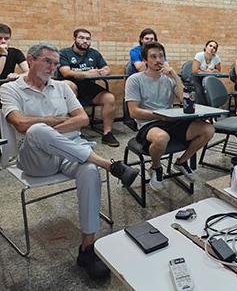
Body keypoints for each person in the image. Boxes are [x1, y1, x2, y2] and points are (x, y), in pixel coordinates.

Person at [0, 42, 138, 280]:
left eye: (55, 63)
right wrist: (54, 121)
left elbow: (83, 119)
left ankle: (87, 249)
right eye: (47, 61)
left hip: (71, 151)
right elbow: (21, 125)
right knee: (36, 132)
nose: (52, 67)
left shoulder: (62, 87)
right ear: (31, 61)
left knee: (89, 171)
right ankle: (110, 164)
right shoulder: (10, 89)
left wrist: (46, 124)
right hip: (35, 159)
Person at [125, 42, 215, 191]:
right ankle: (156, 167)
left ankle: (181, 162)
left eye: (161, 56)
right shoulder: (135, 80)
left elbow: (184, 100)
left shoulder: (168, 79)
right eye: (153, 57)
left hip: (170, 120)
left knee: (208, 129)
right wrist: (160, 116)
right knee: (161, 138)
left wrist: (175, 77)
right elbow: (134, 111)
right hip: (148, 123)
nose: (158, 60)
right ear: (145, 60)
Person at [58, 29, 120, 147]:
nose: (85, 41)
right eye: (81, 38)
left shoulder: (94, 53)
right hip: (71, 87)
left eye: (87, 39)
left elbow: (107, 68)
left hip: (88, 87)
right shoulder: (64, 53)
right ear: (75, 39)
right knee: (68, 85)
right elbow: (66, 72)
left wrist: (103, 72)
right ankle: (74, 131)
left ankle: (107, 133)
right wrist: (87, 73)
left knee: (109, 98)